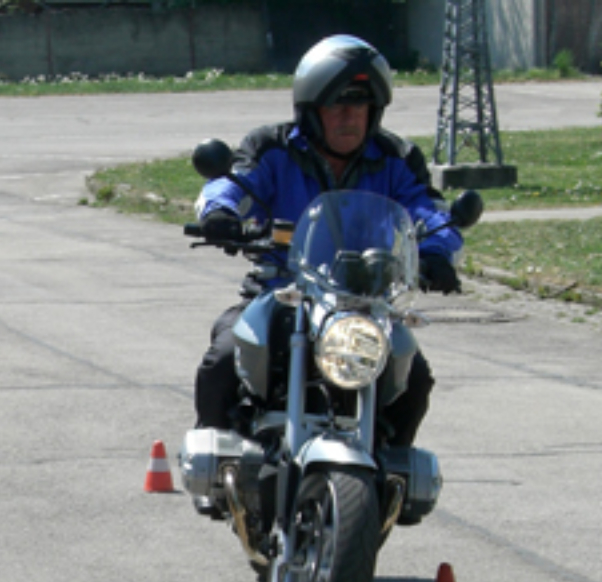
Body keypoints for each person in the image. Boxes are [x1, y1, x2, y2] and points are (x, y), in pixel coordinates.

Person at [193, 34, 463, 448]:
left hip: (364, 303)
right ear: (312, 109)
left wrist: (437, 252)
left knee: (415, 376)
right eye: (337, 105)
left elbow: (427, 211)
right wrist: (219, 214)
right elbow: (232, 185)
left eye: (360, 106)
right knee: (226, 357)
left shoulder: (396, 158)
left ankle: (392, 474)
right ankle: (216, 455)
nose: (349, 117)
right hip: (280, 293)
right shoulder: (271, 148)